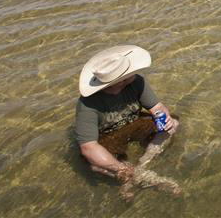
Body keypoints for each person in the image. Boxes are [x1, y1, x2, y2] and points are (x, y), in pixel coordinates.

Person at [75, 45, 181, 199]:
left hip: (134, 124)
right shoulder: (87, 104)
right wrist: (120, 168)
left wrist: (162, 117)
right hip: (107, 137)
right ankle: (142, 178)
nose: (135, 73)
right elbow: (88, 147)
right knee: (94, 165)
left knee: (174, 123)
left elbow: (156, 107)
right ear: (119, 81)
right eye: (129, 73)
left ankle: (143, 162)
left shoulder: (136, 82)